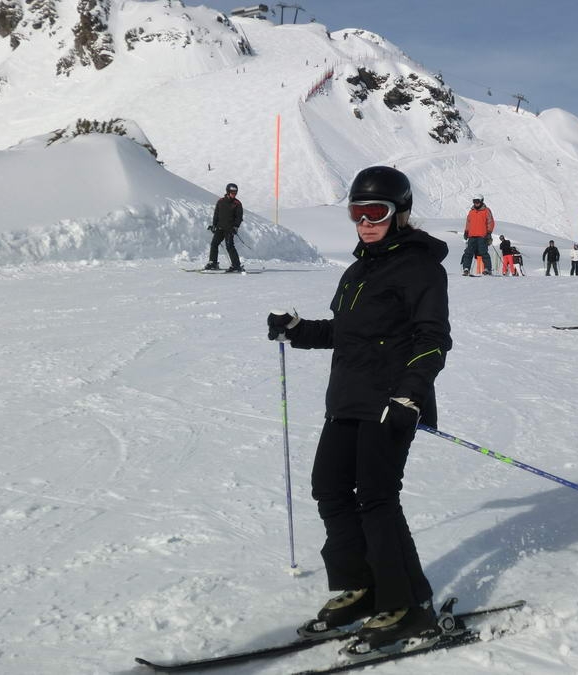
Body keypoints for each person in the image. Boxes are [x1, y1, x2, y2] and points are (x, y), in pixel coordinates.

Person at [266, 166, 452, 651]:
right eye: (357, 212)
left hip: (390, 403)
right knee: (328, 487)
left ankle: (408, 605)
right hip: (347, 398)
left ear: (401, 213)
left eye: (377, 211)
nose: (366, 221)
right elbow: (346, 333)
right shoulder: (359, 269)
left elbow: (433, 339)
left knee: (376, 497)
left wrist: (410, 393)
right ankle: (363, 587)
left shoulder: (420, 268)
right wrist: (298, 329)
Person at [205, 183, 244, 272]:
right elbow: (216, 214)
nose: (234, 194)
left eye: (235, 192)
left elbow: (239, 217)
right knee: (214, 244)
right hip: (220, 228)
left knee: (229, 246)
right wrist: (214, 226)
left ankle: (236, 265)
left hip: (230, 229)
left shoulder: (237, 203)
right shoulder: (220, 201)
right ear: (228, 191)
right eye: (232, 192)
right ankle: (213, 263)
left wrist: (236, 227)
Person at [462, 194, 495, 276]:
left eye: (477, 201)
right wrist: (466, 231)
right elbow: (468, 222)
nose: (476, 203)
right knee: (468, 252)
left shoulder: (486, 211)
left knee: (483, 252)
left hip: (482, 235)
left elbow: (491, 222)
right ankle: (466, 269)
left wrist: (488, 233)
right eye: (474, 201)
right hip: (472, 235)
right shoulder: (471, 211)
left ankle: (487, 269)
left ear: (481, 201)